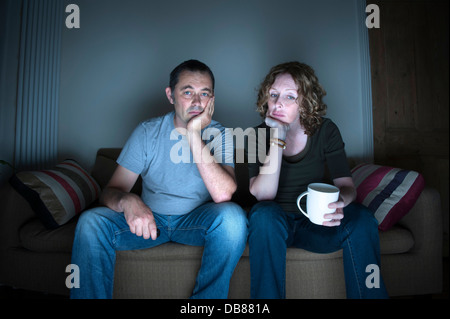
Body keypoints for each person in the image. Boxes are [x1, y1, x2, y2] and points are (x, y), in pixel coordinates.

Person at [70, 59, 248, 299]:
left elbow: (223, 194)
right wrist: (128, 201)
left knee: (233, 219)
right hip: (150, 221)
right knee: (91, 222)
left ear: (212, 100)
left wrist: (194, 133)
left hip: (195, 223)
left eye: (204, 94)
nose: (197, 102)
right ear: (170, 95)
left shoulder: (221, 134)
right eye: (188, 92)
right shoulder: (147, 132)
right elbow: (110, 191)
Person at [246, 61, 388, 299]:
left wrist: (339, 203)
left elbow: (347, 187)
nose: (278, 102)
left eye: (290, 96)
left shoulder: (326, 130)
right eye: (273, 95)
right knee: (263, 214)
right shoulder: (256, 135)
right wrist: (277, 138)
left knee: (362, 218)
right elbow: (263, 195)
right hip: (272, 227)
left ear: (306, 102)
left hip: (316, 225)